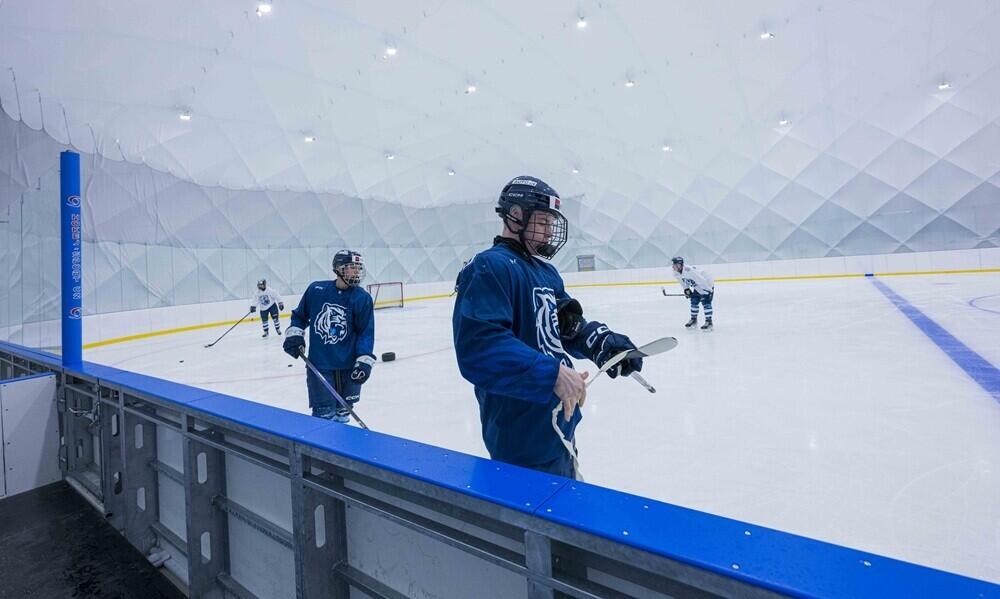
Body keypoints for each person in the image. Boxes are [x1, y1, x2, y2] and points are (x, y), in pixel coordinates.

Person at [452, 176, 643, 479]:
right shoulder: (490, 267)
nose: (549, 231)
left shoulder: (545, 272)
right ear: (515, 215)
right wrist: (551, 373)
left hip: (557, 428)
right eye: (542, 222)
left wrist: (601, 342)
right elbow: (481, 347)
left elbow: (566, 326)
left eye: (551, 223)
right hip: (520, 435)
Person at [283, 251, 376, 422]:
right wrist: (295, 335)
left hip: (349, 368)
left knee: (343, 414)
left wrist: (364, 361)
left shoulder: (362, 298)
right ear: (338, 268)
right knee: (324, 415)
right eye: (351, 267)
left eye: (358, 267)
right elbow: (299, 316)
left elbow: (365, 332)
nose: (356, 271)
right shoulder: (316, 291)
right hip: (320, 365)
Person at [671, 257, 714, 330]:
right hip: (697, 285)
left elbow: (701, 280)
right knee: (694, 301)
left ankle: (709, 321)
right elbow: (682, 282)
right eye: (673, 265)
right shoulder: (676, 272)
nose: (673, 266)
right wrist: (686, 289)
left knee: (706, 302)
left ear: (679, 265)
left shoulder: (689, 271)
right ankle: (693, 319)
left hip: (706, 283)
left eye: (674, 265)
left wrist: (708, 290)